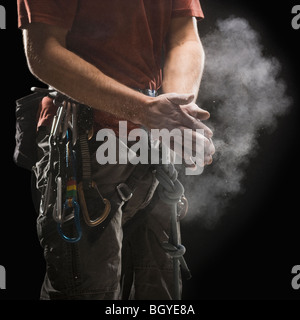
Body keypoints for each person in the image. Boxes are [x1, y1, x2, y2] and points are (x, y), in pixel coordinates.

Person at [17, 0, 215, 300]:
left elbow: (184, 37)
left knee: (160, 291)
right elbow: (44, 52)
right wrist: (147, 111)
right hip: (85, 141)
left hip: (150, 140)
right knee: (85, 291)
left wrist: (178, 114)